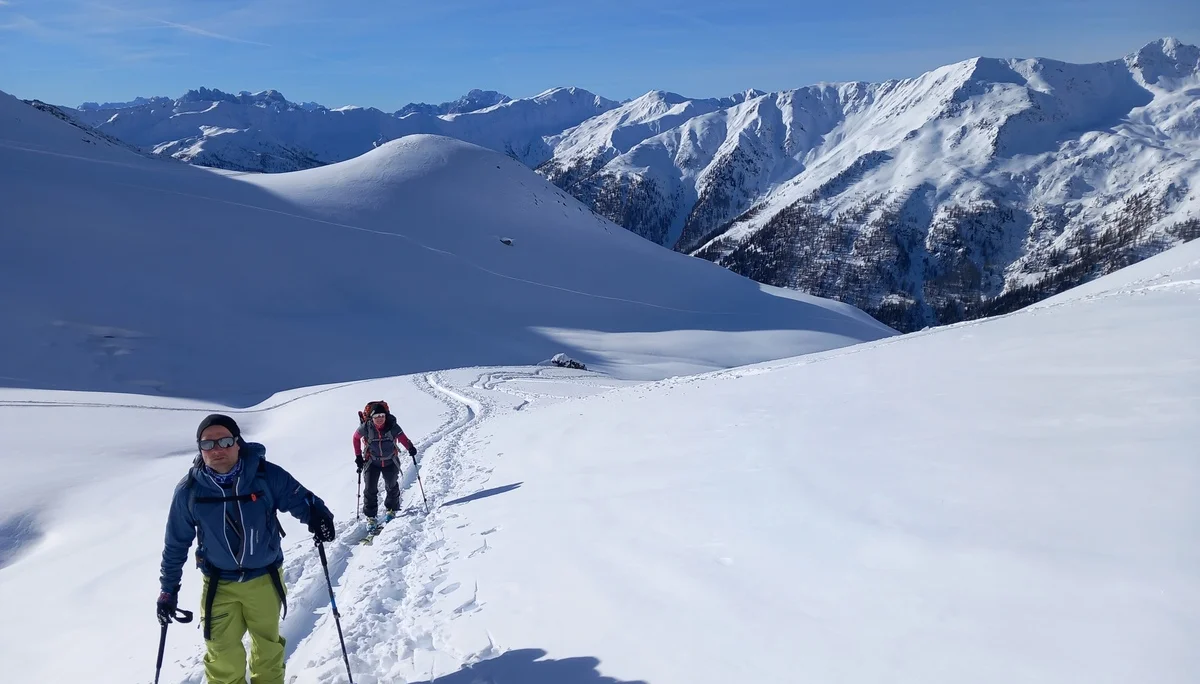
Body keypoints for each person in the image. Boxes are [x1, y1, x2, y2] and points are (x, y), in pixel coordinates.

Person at [157, 414, 336, 684]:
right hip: (219, 585)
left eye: (225, 441)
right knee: (221, 656)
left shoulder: (265, 475)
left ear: (238, 443)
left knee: (268, 650)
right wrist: (168, 590)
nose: (217, 449)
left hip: (264, 580)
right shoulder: (190, 491)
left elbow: (300, 498)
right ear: (200, 449)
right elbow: (176, 543)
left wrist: (318, 516)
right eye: (208, 444)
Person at [353, 401, 418, 523]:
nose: (379, 419)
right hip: (372, 462)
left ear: (386, 416)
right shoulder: (366, 427)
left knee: (392, 485)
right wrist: (358, 456)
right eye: (376, 417)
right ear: (371, 418)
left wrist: (410, 448)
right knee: (370, 489)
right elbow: (355, 438)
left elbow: (402, 438)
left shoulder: (392, 426)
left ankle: (391, 509)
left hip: (390, 460)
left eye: (382, 416)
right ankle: (371, 516)